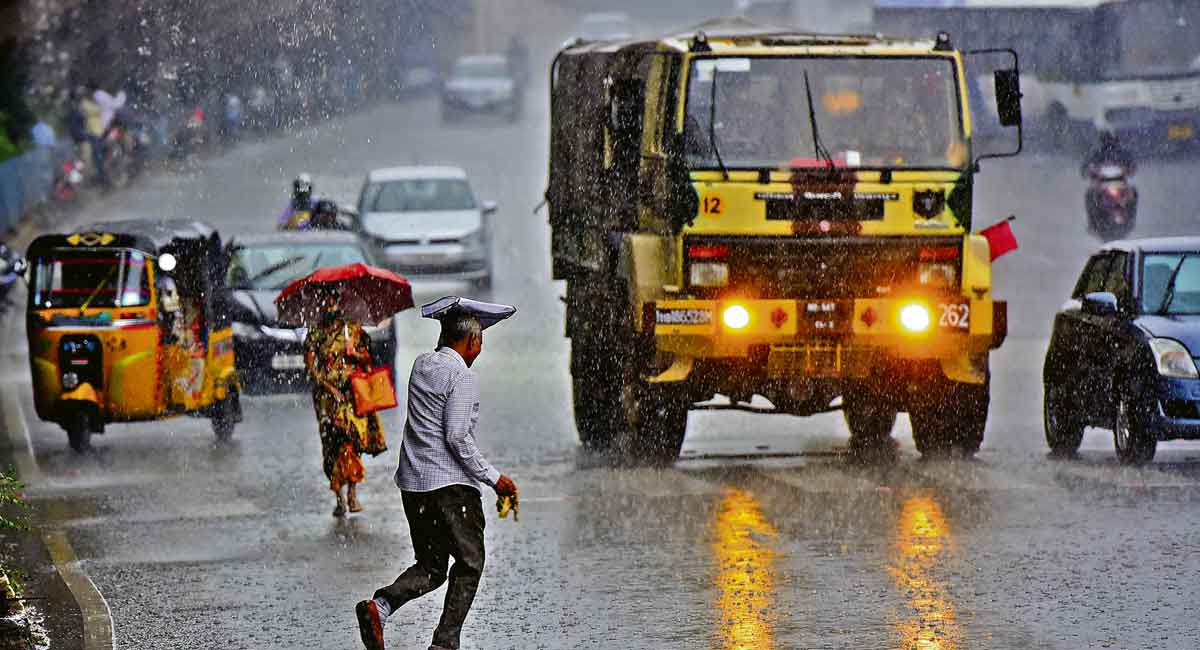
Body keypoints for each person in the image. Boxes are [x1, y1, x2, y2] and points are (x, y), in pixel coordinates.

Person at [356, 308, 518, 650]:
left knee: (431, 566)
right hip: (451, 488)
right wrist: (494, 479)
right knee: (470, 562)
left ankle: (380, 607)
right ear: (472, 340)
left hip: (414, 485)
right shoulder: (461, 378)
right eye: (480, 341)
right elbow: (457, 437)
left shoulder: (421, 365)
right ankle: (444, 644)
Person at [304, 291, 387, 517]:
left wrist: (355, 353)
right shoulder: (315, 333)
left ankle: (352, 492)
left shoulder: (353, 329)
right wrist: (328, 387)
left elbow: (368, 361)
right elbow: (310, 368)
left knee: (351, 441)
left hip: (351, 395)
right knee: (331, 447)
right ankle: (339, 496)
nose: (331, 304)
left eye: (334, 300)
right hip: (326, 400)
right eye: (326, 300)